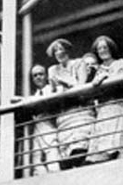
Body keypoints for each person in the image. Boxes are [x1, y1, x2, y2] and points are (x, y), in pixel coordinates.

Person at [47, 39, 95, 169]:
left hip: (80, 111)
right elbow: (53, 92)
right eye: (55, 50)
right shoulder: (52, 69)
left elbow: (81, 87)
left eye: (61, 49)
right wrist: (53, 86)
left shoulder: (79, 63)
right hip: (64, 115)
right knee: (66, 153)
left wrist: (64, 82)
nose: (58, 52)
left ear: (67, 50)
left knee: (80, 146)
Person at [87, 35, 123, 162]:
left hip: (117, 106)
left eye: (105, 47)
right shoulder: (97, 69)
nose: (102, 50)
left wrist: (105, 77)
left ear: (111, 48)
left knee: (116, 144)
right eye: (99, 48)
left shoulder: (120, 63)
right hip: (102, 109)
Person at [30, 64, 60, 175]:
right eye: (35, 75)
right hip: (38, 128)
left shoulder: (51, 90)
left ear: (46, 76)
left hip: (50, 127)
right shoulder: (36, 94)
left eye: (41, 74)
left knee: (53, 161)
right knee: (37, 162)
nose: (38, 77)